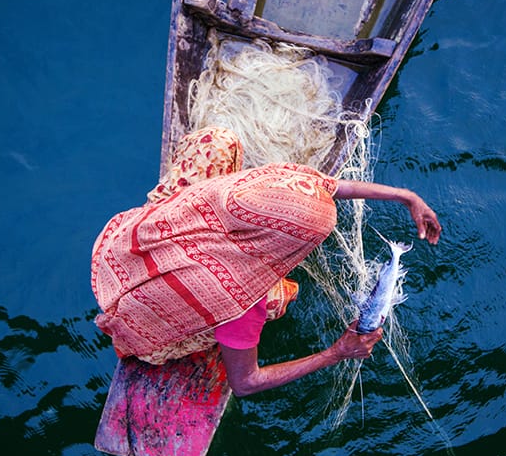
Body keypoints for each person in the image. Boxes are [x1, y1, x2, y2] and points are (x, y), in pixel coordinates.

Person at [90, 126, 440, 397]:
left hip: (115, 255)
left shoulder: (231, 194)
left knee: (218, 141)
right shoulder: (240, 296)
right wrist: (336, 352)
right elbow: (246, 382)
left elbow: (325, 186)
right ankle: (161, 332)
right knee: (276, 297)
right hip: (144, 327)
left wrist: (405, 196)